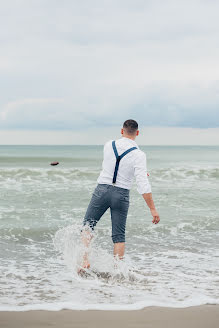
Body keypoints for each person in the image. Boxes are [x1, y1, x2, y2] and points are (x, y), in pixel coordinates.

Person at [79, 119, 160, 271]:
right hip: (121, 194)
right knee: (119, 236)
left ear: (122, 131)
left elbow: (112, 163)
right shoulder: (139, 155)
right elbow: (143, 184)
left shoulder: (109, 145)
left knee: (87, 226)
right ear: (137, 133)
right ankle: (117, 271)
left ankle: (85, 261)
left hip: (102, 190)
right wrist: (152, 209)